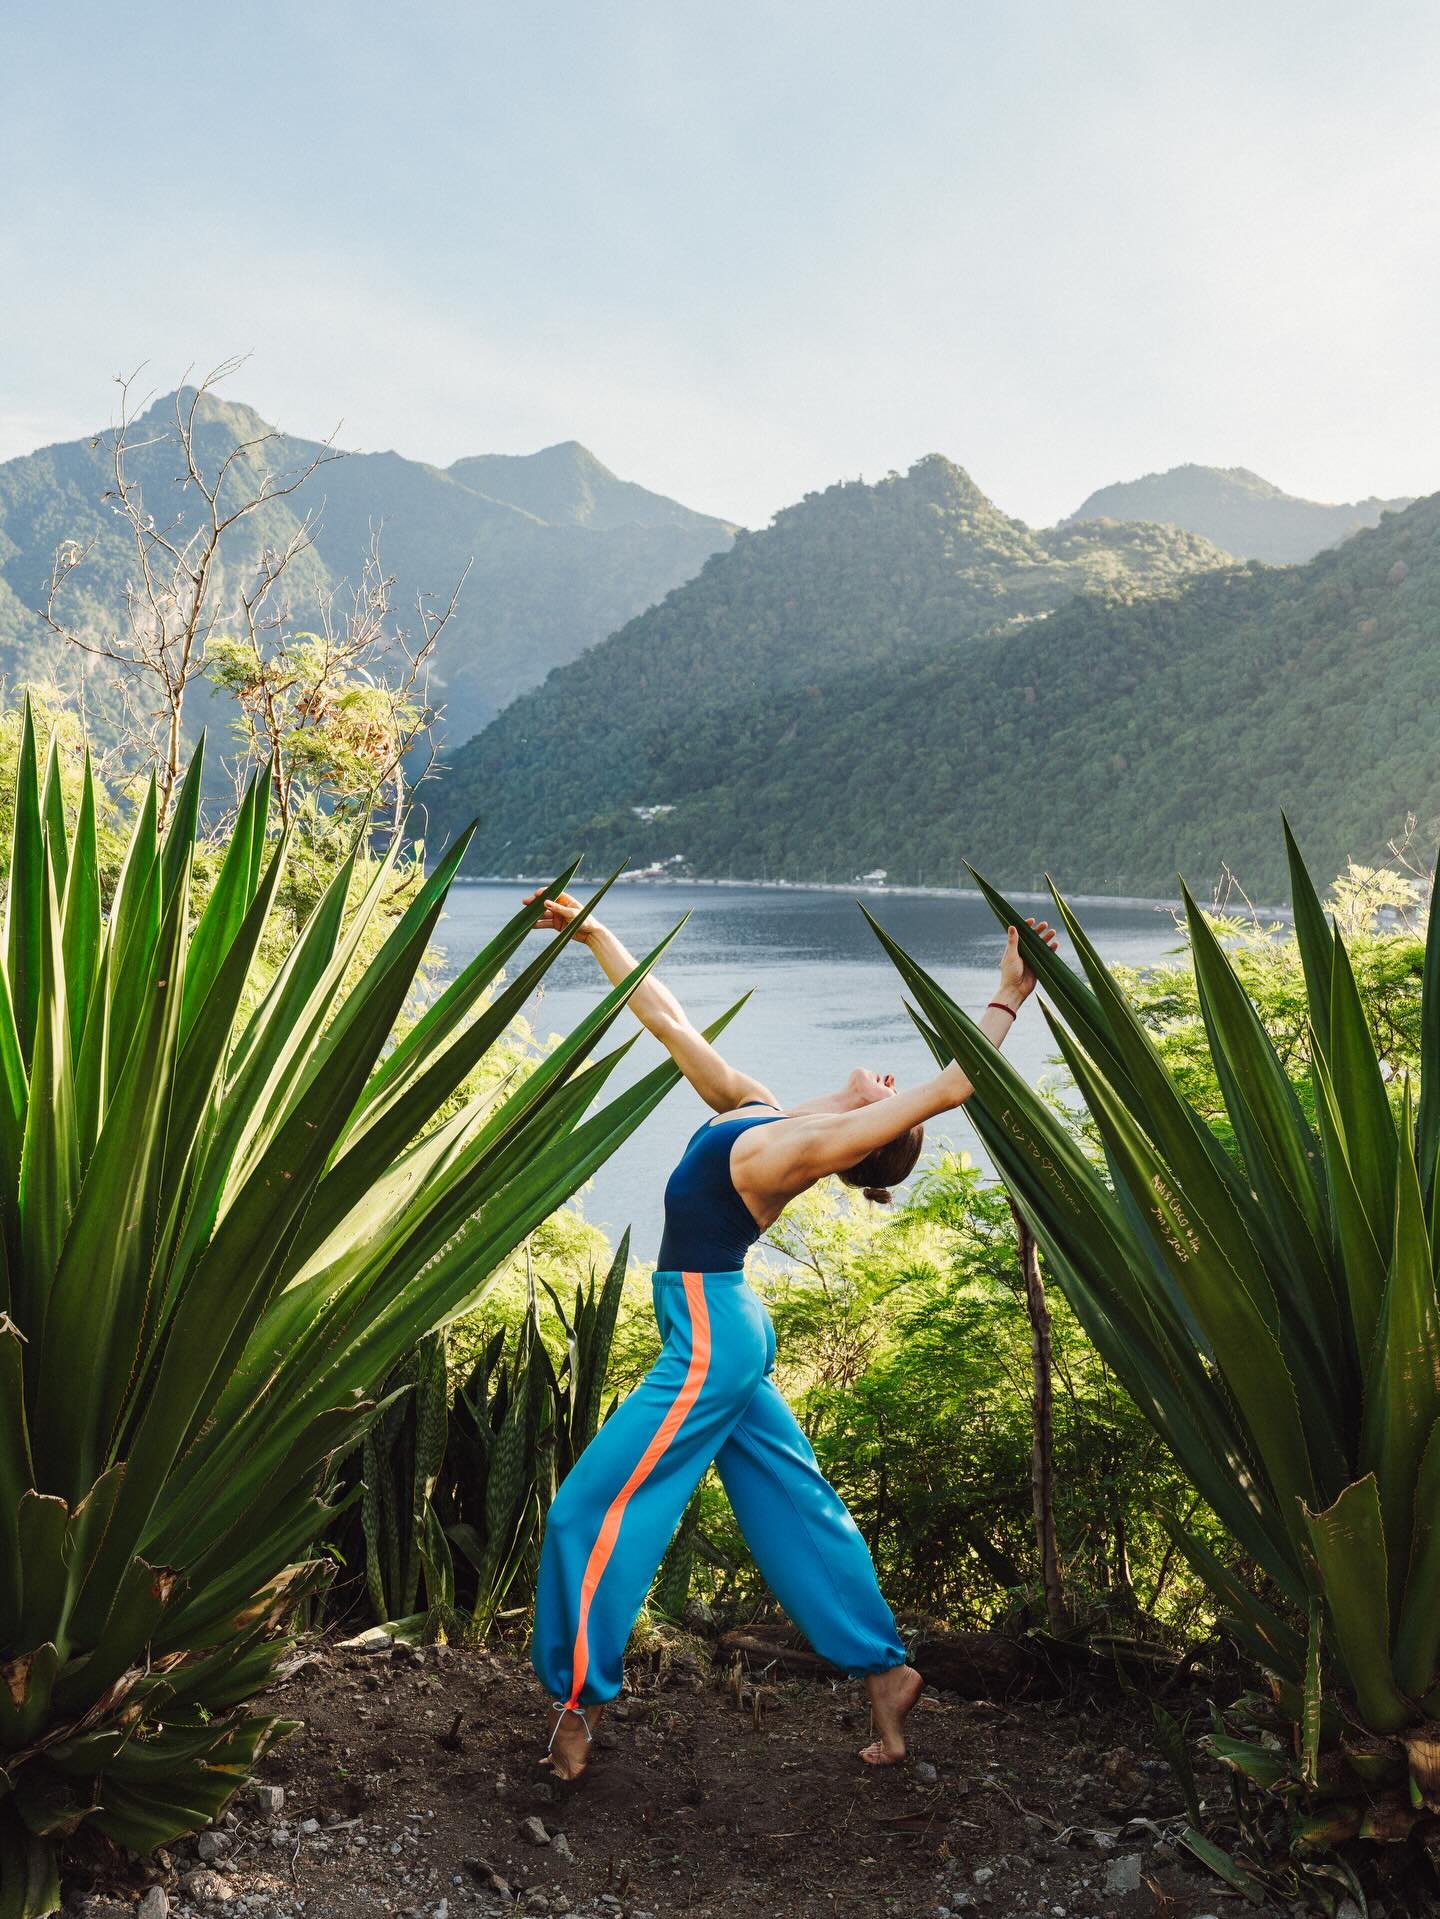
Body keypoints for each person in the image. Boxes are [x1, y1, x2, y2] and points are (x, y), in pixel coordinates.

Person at [524, 888, 1057, 1780]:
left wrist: (1010, 989)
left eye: (895, 1108)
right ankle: (888, 1673)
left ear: (861, 1139)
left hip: (707, 1340)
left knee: (589, 1508)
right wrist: (599, 935)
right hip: (727, 1326)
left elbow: (958, 1083)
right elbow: (671, 1022)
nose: (891, 1086)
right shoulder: (761, 1112)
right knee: (796, 1507)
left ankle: (574, 1705)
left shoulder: (787, 1153)